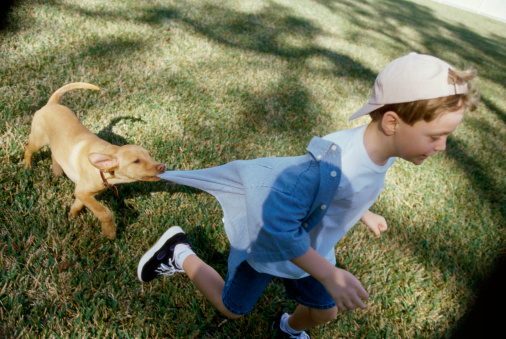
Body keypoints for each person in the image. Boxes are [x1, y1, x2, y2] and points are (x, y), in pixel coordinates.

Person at [137, 52, 479, 338]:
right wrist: (329, 274)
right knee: (233, 309)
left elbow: (344, 192)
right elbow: (278, 226)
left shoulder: (382, 151)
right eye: (436, 135)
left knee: (324, 312)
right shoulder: (329, 164)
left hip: (312, 252)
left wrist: (362, 212)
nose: (442, 146)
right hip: (270, 250)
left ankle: (287, 328)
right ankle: (179, 251)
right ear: (392, 122)